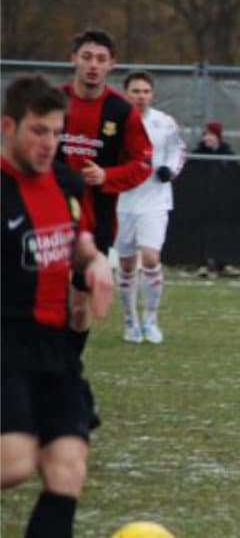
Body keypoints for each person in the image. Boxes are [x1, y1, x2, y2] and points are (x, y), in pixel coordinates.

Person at [2, 74, 114, 538]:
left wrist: (93, 265)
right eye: (37, 131)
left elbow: (80, 238)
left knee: (67, 468)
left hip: (59, 351)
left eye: (56, 132)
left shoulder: (68, 182)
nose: (48, 143)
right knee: (15, 464)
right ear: (8, 127)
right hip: (5, 343)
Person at [58, 28, 152, 425]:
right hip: (47, 217)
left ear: (111, 65)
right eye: (87, 56)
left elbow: (142, 163)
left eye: (101, 59)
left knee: (79, 308)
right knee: (38, 301)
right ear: (74, 59)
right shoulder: (54, 102)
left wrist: (107, 176)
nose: (93, 65)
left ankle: (65, 378)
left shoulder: (122, 112)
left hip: (96, 222)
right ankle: (58, 384)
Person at [114, 71, 187, 344]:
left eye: (145, 91)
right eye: (135, 91)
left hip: (155, 200)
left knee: (151, 258)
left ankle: (151, 319)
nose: (141, 96)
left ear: (152, 94)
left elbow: (178, 150)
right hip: (122, 201)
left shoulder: (164, 122)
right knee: (125, 264)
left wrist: (170, 170)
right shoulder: (116, 122)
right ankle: (130, 320)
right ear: (126, 93)